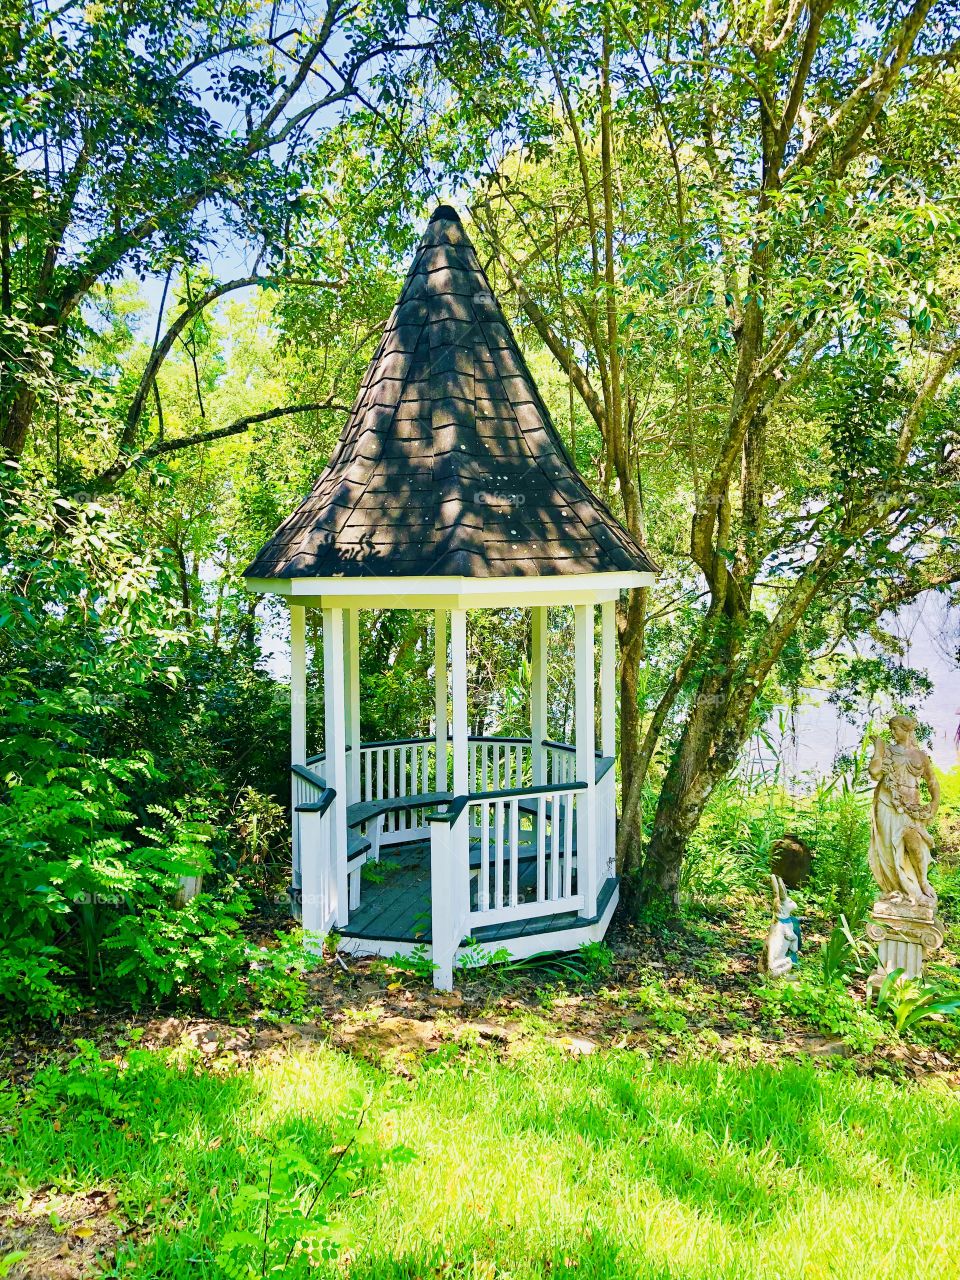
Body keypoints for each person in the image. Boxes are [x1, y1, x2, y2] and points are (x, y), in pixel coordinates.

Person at [866, 715, 940, 905]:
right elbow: (874, 772)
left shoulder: (920, 756)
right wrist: (879, 749)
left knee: (914, 843)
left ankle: (922, 882)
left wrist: (934, 803)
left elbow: (932, 782)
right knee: (889, 848)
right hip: (887, 804)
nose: (892, 733)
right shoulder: (888, 751)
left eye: (895, 729)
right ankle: (898, 891)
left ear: (906, 730)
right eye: (891, 729)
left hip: (911, 807)